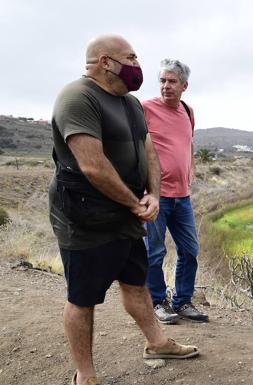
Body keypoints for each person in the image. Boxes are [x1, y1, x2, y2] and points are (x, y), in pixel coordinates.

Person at [49, 35, 199, 385]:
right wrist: (136, 203)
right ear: (105, 62)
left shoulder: (129, 103)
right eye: (131, 57)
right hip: (85, 217)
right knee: (82, 298)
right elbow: (93, 166)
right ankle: (85, 375)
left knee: (135, 282)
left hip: (127, 213)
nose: (137, 66)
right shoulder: (78, 97)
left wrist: (154, 196)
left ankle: (157, 342)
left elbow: (148, 151)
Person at [142, 59, 208, 324]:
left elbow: (188, 144)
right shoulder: (144, 108)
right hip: (156, 195)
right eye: (162, 81)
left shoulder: (187, 111)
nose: (166, 86)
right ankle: (158, 302)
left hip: (183, 196)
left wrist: (190, 170)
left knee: (190, 250)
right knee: (154, 253)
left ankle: (182, 302)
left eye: (172, 81)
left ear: (184, 86)